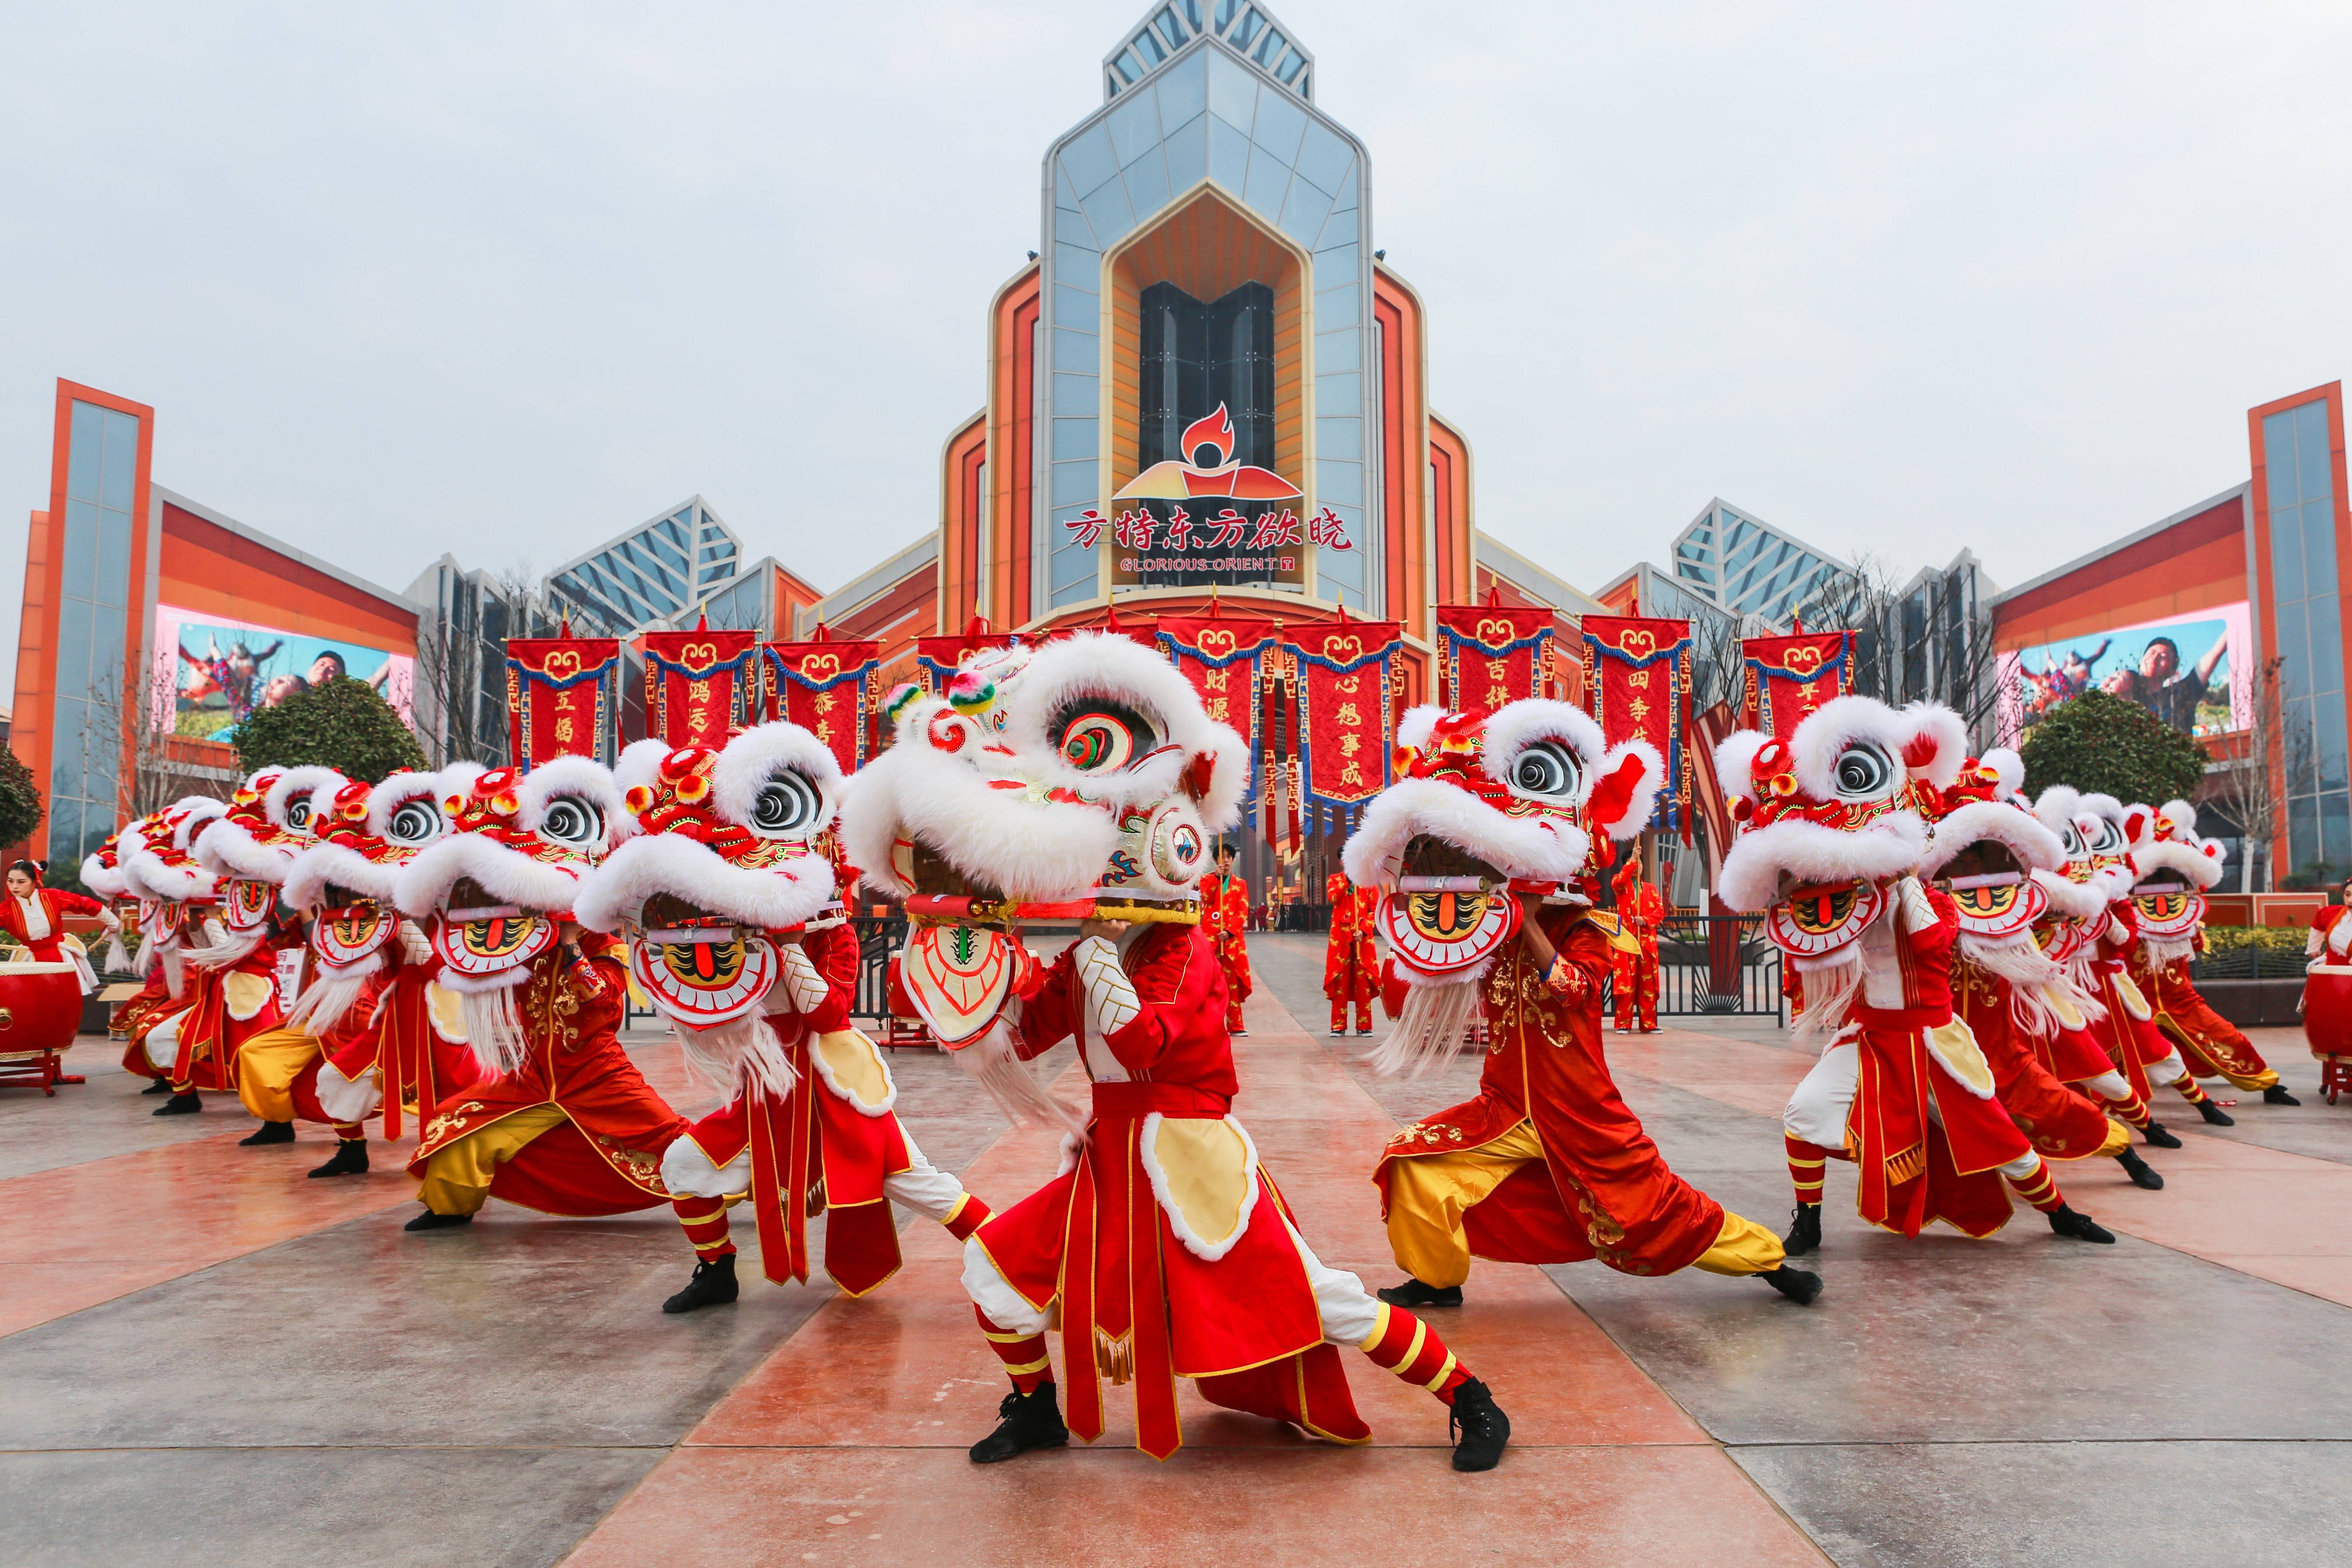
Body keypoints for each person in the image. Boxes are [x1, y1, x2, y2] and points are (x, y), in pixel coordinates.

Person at [842, 634, 1511, 1471]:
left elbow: (1145, 1044)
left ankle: (1469, 1398)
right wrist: (964, 974)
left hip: (1192, 1156)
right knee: (996, 1273)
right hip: (1108, 1160)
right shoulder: (1106, 948)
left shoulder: (1180, 953)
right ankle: (1036, 1407)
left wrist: (1085, 943)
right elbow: (1028, 1032)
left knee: (1320, 1298)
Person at [1348, 703, 1817, 1310]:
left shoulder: (1589, 926)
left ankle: (1767, 1261)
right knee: (1412, 1165)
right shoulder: (1485, 927)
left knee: (1655, 1211)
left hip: (1579, 1107)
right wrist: (1411, 951)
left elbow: (1572, 989)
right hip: (1506, 1105)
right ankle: (1437, 1279)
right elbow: (1416, 991)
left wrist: (1526, 926)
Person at [574, 733, 992, 1314]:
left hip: (828, 1083)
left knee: (912, 1179)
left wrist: (791, 946)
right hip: (764, 1093)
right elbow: (698, 993)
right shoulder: (734, 931)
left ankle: (1005, 1249)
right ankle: (715, 1271)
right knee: (686, 1164)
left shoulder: (836, 937)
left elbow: (827, 1015)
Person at [1713, 699, 2116, 1254]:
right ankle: (1808, 1220)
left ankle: (2062, 1213)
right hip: (1871, 1036)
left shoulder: (1934, 900)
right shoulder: (1853, 892)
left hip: (1932, 1039)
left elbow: (1928, 940)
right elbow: (1815, 945)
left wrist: (1901, 877)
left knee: (1999, 1137)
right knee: (1805, 1113)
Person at [0, 860, 119, 992]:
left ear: (34, 881)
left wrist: (112, 922)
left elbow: (84, 904)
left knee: (66, 997)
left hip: (61, 956)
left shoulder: (52, 897)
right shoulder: (6, 909)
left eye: (21, 882)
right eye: (10, 881)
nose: (14, 886)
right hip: (30, 961)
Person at [1200, 842, 1254, 1035]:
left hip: (1231, 943)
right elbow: (1206, 898)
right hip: (1211, 942)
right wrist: (1216, 878)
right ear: (1216, 860)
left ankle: (1236, 1026)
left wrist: (1230, 932)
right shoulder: (1207, 880)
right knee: (1210, 986)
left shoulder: (1240, 884)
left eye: (1229, 857)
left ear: (1233, 860)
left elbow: (1243, 910)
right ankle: (1211, 1026)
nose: (1225, 861)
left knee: (1232, 985)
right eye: (1221, 857)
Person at [1609, 856, 1663, 1033]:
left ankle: (1649, 1024)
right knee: (1627, 983)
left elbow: (1660, 911)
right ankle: (1624, 1023)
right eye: (1632, 864)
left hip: (1646, 943)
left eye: (1639, 863)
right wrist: (1633, 856)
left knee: (1648, 983)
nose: (1635, 867)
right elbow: (1620, 881)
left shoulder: (1651, 889)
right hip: (1627, 941)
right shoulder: (1620, 885)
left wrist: (1646, 920)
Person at [1324, 869, 1379, 1035]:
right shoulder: (1335, 879)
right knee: (1340, 979)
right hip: (1340, 940)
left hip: (1361, 941)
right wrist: (1347, 881)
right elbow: (1333, 897)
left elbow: (1375, 910)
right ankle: (1338, 1025)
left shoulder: (1369, 881)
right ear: (1342, 862)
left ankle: (1364, 1025)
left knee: (1363, 982)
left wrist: (1363, 929)